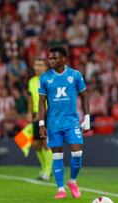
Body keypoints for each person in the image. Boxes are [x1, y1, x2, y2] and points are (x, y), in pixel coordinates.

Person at [38, 46, 90, 199]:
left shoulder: (74, 75)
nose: (51, 60)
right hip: (53, 123)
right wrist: (42, 123)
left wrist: (87, 118)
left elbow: (85, 96)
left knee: (77, 152)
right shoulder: (45, 77)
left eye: (54, 58)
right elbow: (42, 102)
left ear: (64, 59)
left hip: (71, 121)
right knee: (57, 156)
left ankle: (72, 181)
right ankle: (61, 189)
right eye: (50, 58)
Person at [27, 58, 53, 181]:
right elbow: (31, 98)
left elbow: (51, 99)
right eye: (36, 65)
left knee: (45, 143)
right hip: (36, 114)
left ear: (45, 67)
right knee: (36, 144)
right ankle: (44, 168)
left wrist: (41, 113)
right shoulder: (32, 81)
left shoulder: (49, 80)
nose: (37, 67)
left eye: (40, 65)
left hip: (48, 114)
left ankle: (47, 172)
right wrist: (29, 113)